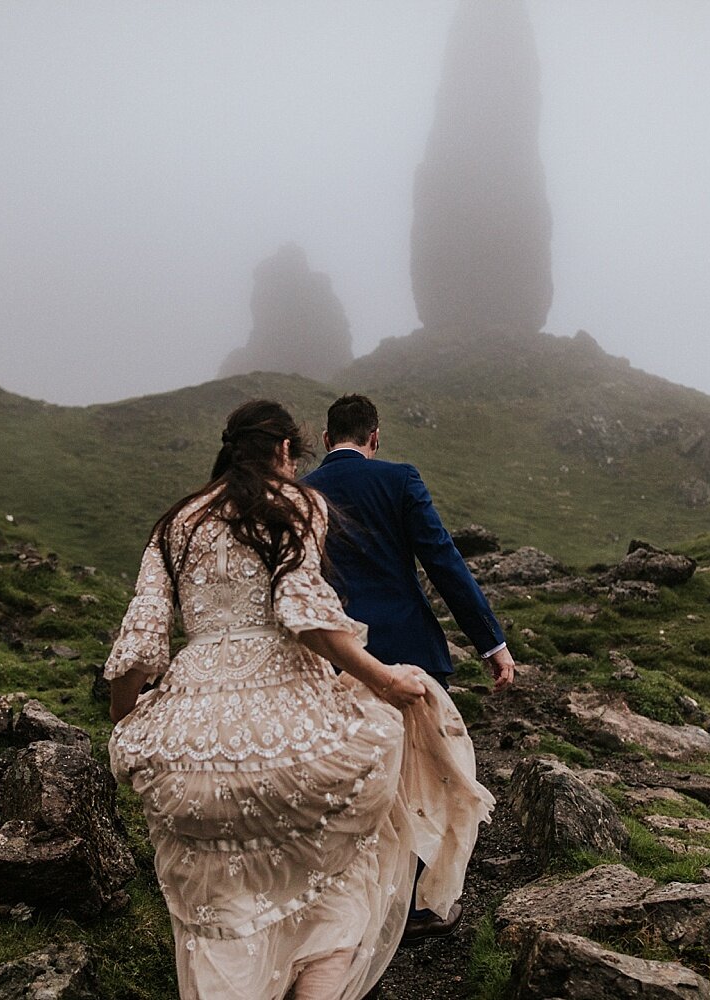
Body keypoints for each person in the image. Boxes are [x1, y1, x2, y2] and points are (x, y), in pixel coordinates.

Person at [104, 399, 493, 1000]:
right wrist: (384, 680)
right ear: (286, 451)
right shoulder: (297, 504)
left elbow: (141, 637)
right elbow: (302, 612)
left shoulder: (175, 522)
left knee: (223, 902)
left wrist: (127, 720)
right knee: (341, 864)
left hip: (190, 735)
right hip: (287, 721)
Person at [301, 393, 516, 940]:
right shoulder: (399, 480)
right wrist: (491, 643)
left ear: (327, 441)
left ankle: (349, 902)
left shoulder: (302, 493)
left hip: (333, 655)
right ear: (376, 437)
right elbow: (442, 560)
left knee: (347, 777)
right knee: (419, 777)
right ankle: (418, 906)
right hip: (407, 650)